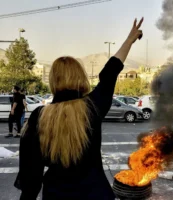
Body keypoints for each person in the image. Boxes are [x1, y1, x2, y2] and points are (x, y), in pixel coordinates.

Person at [14, 18, 144, 200]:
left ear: (53, 81)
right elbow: (110, 72)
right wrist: (129, 40)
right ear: (80, 77)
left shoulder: (39, 117)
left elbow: (31, 177)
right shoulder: (92, 106)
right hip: (96, 194)